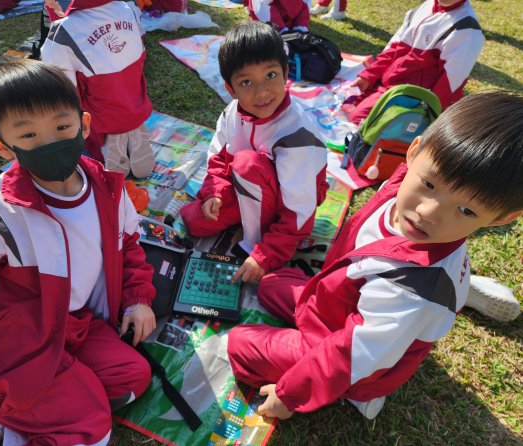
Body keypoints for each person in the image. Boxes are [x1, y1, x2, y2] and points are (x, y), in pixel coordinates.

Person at [227, 92, 523, 420]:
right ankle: (460, 293)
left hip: (360, 355)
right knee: (269, 283)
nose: (427, 212)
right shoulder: (397, 185)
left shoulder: (413, 287)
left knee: (239, 345)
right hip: (340, 305)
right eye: (429, 184)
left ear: (501, 219)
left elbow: (354, 354)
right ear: (414, 152)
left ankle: (359, 395)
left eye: (466, 210)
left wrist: (289, 396)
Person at [0, 59, 157, 445]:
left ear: (84, 124)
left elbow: (129, 245)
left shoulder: (107, 187)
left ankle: (16, 408)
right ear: (2, 146)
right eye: (29, 134)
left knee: (131, 379)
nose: (51, 143)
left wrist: (137, 299)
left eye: (62, 127)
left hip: (75, 326)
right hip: (16, 344)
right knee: (91, 428)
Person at [180, 22, 329, 283]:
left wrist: (263, 255)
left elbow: (299, 211)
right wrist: (215, 193)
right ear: (231, 89)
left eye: (270, 75)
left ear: (285, 73)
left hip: (288, 206)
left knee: (246, 163)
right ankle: (248, 212)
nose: (261, 92)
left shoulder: (298, 136)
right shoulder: (232, 112)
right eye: (246, 82)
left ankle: (255, 240)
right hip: (249, 188)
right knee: (194, 221)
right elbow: (218, 157)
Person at [41, 0, 156, 178]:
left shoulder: (62, 32)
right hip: (136, 103)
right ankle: (131, 132)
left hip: (100, 119)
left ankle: (105, 147)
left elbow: (62, 90)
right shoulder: (126, 7)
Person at [344, 0, 483, 124]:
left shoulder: (466, 29)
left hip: (411, 99)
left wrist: (423, 117)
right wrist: (368, 76)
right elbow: (393, 49)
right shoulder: (425, 7)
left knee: (357, 121)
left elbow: (448, 87)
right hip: (389, 84)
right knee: (345, 107)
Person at [246, 0, 311, 33]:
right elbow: (260, 9)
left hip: (292, 27)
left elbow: (304, 8)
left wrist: (301, 27)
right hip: (271, 27)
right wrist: (281, 30)